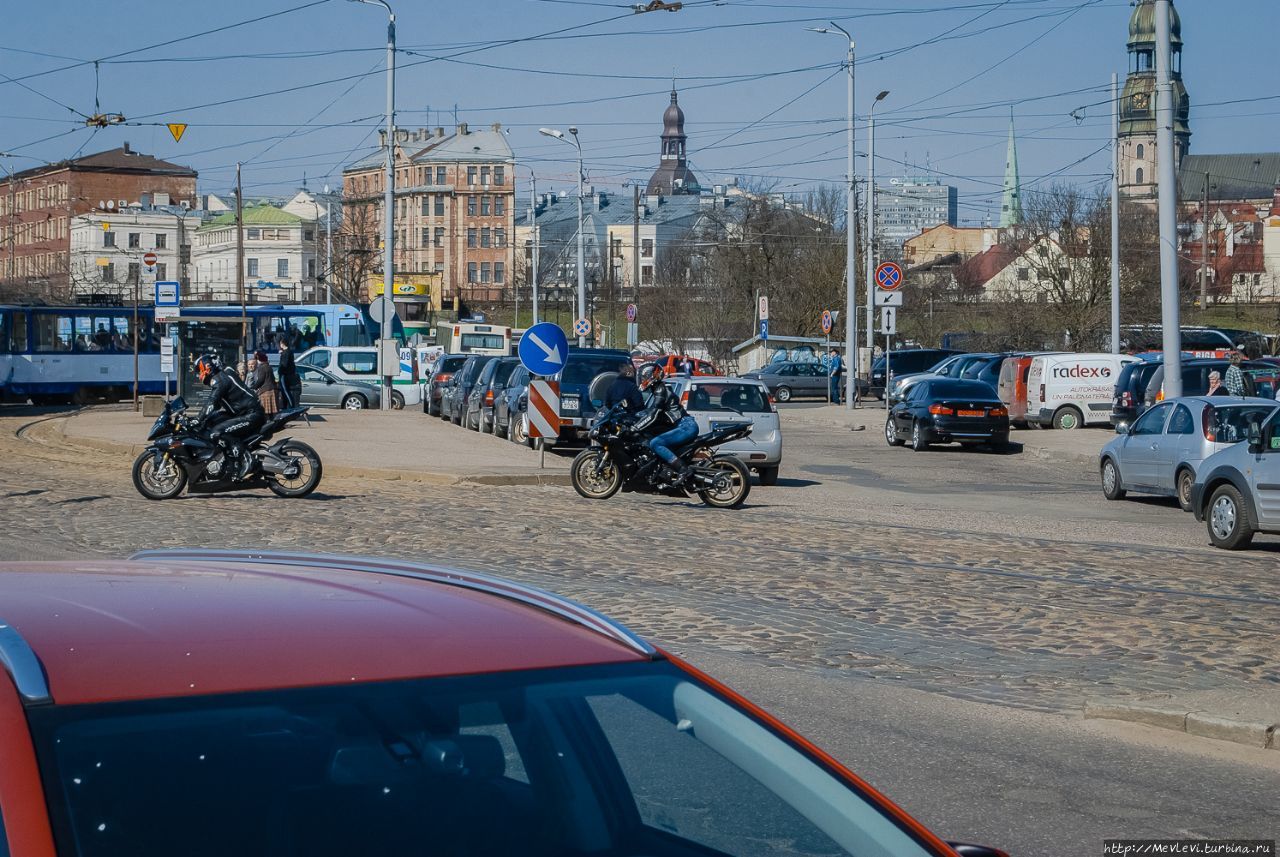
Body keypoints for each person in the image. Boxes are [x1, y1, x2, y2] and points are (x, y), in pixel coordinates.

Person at [194, 355, 265, 482]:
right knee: (212, 421)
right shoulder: (224, 373)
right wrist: (203, 419)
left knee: (217, 432)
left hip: (250, 414)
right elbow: (215, 405)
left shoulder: (220, 380)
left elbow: (211, 402)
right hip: (243, 412)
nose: (199, 374)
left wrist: (197, 419)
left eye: (200, 370)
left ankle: (241, 463)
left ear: (207, 367)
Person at [633, 364, 698, 484]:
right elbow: (648, 412)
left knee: (656, 443)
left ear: (653, 376)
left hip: (685, 426)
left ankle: (683, 470)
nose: (642, 380)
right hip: (682, 425)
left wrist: (635, 427)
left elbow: (653, 414)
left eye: (644, 377)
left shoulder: (661, 390)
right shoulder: (657, 390)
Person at [247, 349, 278, 416]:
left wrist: (254, 387)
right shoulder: (268, 366)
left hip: (266, 390)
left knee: (265, 411)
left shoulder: (262, 367)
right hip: (272, 389)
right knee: (272, 412)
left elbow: (261, 380)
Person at [277, 335, 301, 409]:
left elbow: (284, 364)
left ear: (283, 344)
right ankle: (285, 406)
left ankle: (291, 405)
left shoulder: (286, 353)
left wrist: (280, 371)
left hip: (284, 374)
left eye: (280, 344)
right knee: (284, 391)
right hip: (286, 374)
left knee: (285, 391)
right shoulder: (288, 352)